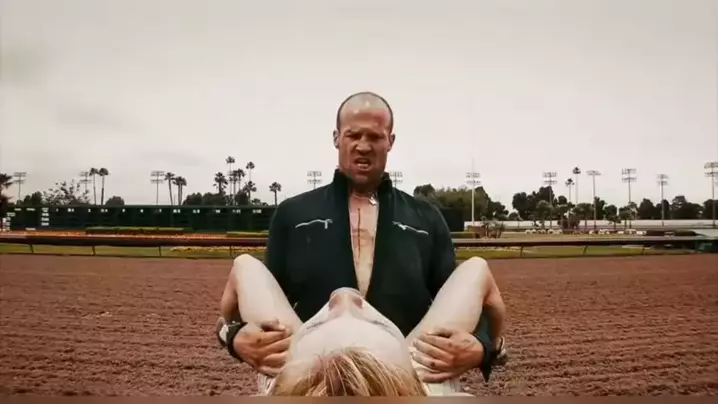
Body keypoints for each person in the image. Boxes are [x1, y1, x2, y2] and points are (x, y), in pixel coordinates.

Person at [217, 91, 507, 393]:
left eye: (375, 136)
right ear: (336, 138)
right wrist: (234, 336)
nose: (364, 146)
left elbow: (459, 301)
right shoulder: (293, 214)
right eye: (353, 135)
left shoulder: (426, 218)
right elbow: (260, 300)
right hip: (311, 375)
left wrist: (481, 347)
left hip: (402, 377)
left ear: (390, 141)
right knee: (244, 265)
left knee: (477, 268)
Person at [217, 253, 505, 396]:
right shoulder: (426, 368)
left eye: (315, 327)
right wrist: (488, 347)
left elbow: (243, 265)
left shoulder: (282, 364)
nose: (343, 294)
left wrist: (231, 334)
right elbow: (478, 269)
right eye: (379, 325)